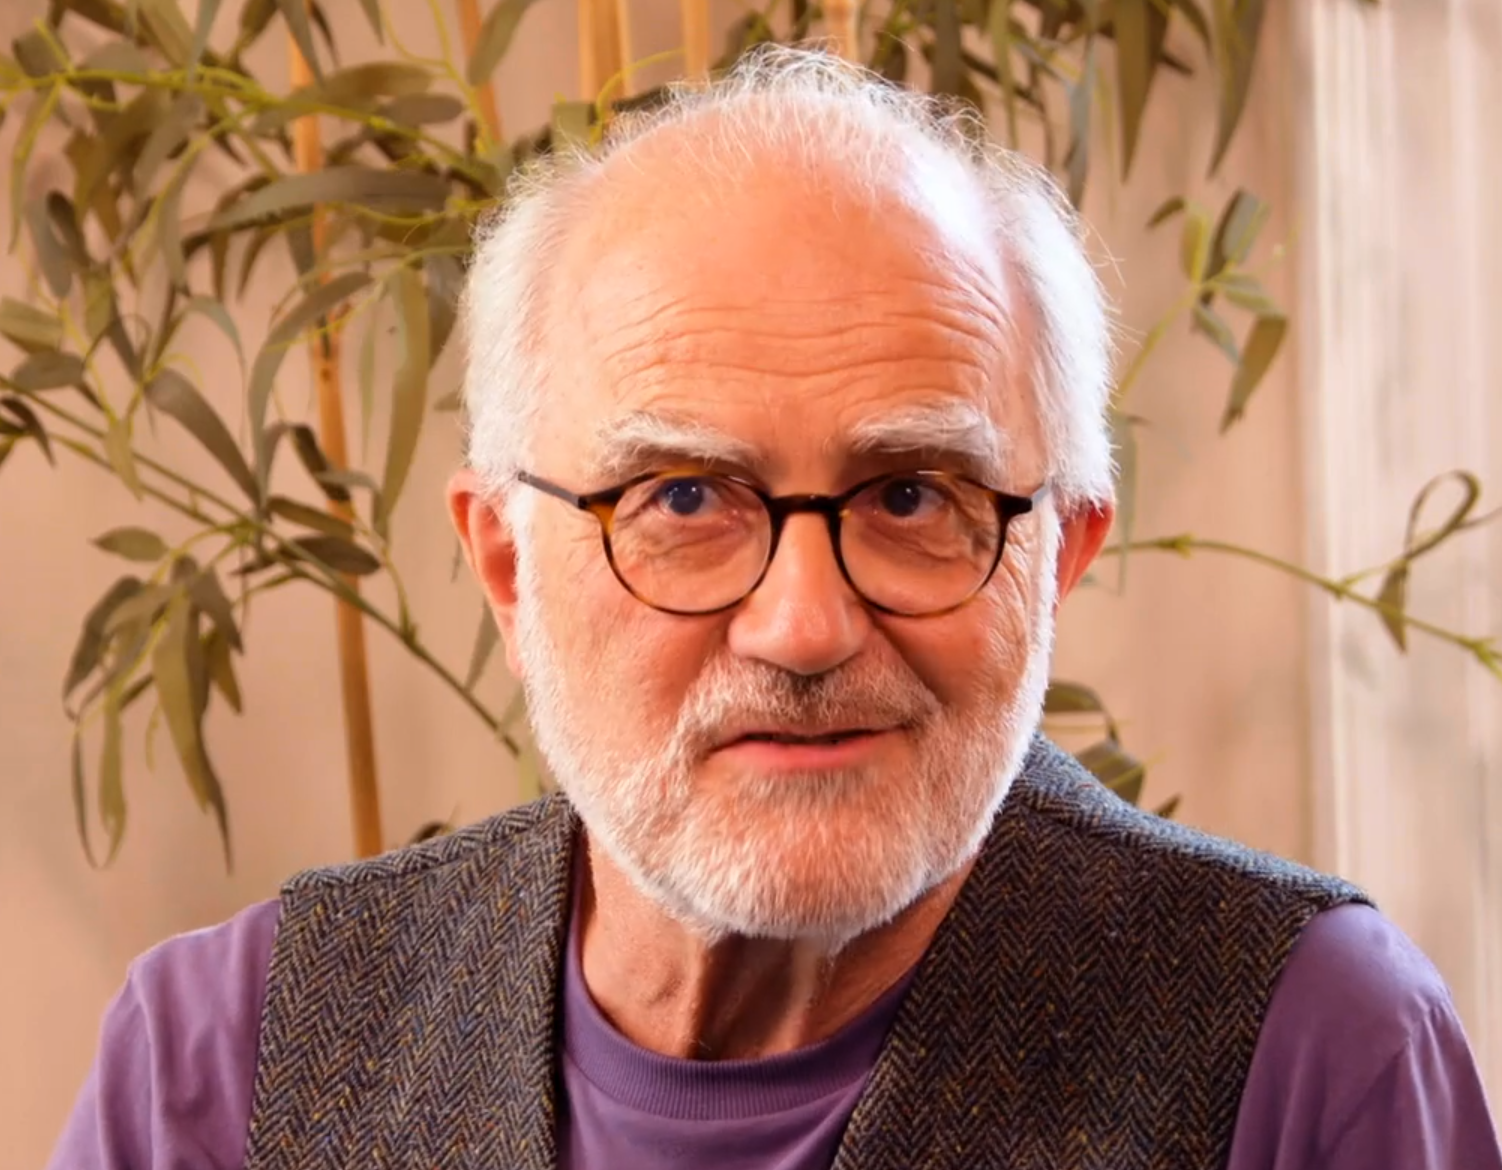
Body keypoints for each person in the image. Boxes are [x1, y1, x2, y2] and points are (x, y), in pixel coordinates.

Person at [48, 46, 1500, 1170]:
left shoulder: (1310, 1050)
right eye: (682, 497)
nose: (803, 627)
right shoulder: (221, 1062)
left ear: (1057, 556)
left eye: (911, 494)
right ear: (505, 564)